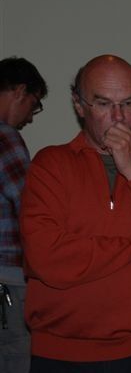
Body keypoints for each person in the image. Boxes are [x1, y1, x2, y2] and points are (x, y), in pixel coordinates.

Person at [20, 55, 131, 372]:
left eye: (128, 103)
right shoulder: (50, 165)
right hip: (61, 355)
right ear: (79, 106)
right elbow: (46, 258)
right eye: (104, 104)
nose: (119, 117)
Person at [0, 57, 47, 373]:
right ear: (19, 91)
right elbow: (31, 210)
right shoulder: (6, 137)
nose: (30, 117)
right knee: (17, 359)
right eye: (34, 104)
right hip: (8, 280)